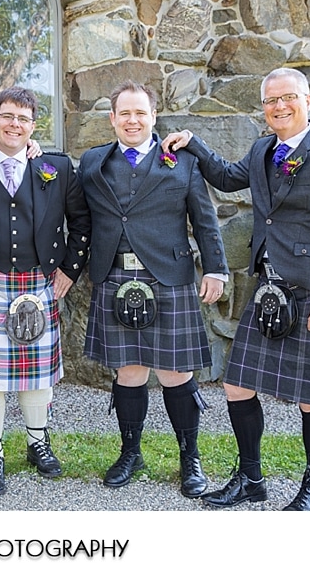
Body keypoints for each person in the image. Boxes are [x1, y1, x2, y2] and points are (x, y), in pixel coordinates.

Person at [163, 67, 310, 510]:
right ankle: (251, 478)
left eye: (288, 98)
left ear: (308, 100)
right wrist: (191, 143)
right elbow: (223, 175)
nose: (279, 107)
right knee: (238, 384)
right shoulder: (262, 151)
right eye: (271, 100)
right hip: (271, 292)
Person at [78, 81, 228, 498]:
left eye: (140, 112)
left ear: (153, 117)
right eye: (124, 113)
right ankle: (131, 453)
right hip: (114, 277)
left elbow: (205, 220)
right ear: (112, 119)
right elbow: (79, 218)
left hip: (168, 277)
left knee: (176, 374)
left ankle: (189, 458)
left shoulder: (181, 162)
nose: (132, 120)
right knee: (128, 372)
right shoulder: (92, 163)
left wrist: (216, 269)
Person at [0, 86, 91, 495]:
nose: (15, 124)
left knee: (38, 376)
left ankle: (36, 442)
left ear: (33, 128)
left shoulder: (56, 168)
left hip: (38, 281)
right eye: (8, 116)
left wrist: (70, 268)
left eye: (24, 119)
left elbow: (81, 223)